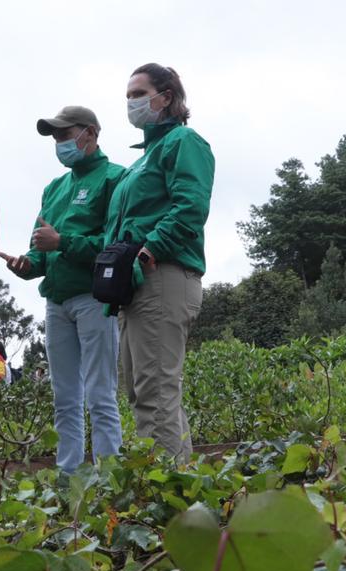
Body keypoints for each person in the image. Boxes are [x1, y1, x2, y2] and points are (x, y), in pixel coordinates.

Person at [0, 105, 125, 474]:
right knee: (64, 397)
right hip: (56, 302)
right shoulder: (54, 189)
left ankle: (110, 477)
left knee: (100, 394)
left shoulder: (115, 179)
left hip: (94, 298)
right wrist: (26, 265)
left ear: (90, 133)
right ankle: (68, 477)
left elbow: (115, 243)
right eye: (55, 137)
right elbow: (41, 250)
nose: (59, 143)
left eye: (64, 134)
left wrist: (63, 242)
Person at [107, 64, 215, 462]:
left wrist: (151, 249)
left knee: (156, 389)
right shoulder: (141, 161)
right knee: (140, 389)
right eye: (128, 96)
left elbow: (190, 207)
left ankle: (166, 494)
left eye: (139, 93)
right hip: (136, 285)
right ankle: (175, 482)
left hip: (163, 276)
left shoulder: (185, 142)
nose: (132, 102)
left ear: (166, 96)